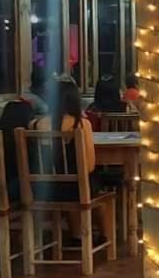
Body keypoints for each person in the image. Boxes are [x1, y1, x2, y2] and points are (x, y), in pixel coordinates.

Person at [34, 79, 115, 244]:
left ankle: (76, 236)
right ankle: (106, 238)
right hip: (77, 189)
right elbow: (90, 165)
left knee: (74, 185)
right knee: (95, 188)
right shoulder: (82, 124)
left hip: (46, 189)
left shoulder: (37, 124)